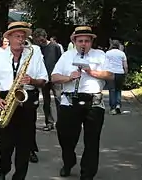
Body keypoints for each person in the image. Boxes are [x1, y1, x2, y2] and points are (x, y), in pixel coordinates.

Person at [51, 26, 114, 180]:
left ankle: (87, 174)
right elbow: (54, 77)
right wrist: (68, 78)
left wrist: (93, 72)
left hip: (93, 102)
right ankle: (68, 161)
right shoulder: (66, 56)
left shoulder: (100, 55)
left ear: (91, 41)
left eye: (87, 41)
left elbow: (110, 75)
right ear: (75, 41)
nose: (83, 44)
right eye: (80, 41)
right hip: (69, 101)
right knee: (65, 136)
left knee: (92, 141)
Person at [0, 21, 48, 180]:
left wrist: (32, 81)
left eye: (23, 36)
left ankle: (20, 175)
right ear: (8, 37)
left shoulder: (34, 54)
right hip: (6, 98)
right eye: (17, 36)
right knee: (5, 144)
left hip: (27, 100)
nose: (21, 40)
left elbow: (44, 80)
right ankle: (3, 169)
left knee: (24, 143)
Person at [32, 28, 62, 131]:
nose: (41, 43)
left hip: (55, 78)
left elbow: (60, 61)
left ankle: (61, 122)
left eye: (42, 40)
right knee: (46, 101)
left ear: (45, 37)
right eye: (38, 41)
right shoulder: (37, 48)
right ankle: (49, 122)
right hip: (43, 78)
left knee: (59, 99)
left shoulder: (55, 46)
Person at [106, 39, 128, 114]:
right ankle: (118, 105)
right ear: (119, 45)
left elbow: (105, 64)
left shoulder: (108, 53)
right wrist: (125, 73)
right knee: (118, 90)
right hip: (120, 73)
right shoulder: (122, 54)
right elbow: (125, 65)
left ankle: (113, 108)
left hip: (110, 73)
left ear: (112, 45)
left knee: (112, 90)